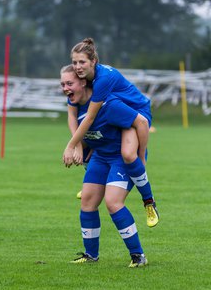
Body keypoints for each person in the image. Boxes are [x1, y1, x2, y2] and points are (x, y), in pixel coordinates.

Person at [63, 37, 159, 228]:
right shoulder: (80, 81)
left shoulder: (102, 80)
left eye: (82, 62)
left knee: (129, 155)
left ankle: (149, 202)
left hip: (137, 112)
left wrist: (72, 145)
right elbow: (73, 114)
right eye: (74, 62)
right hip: (119, 112)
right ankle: (93, 184)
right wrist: (79, 145)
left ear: (93, 62)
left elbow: (89, 117)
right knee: (93, 139)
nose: (78, 66)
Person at [60, 65, 149, 267]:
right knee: (88, 202)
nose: (65, 88)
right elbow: (78, 124)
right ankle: (91, 255)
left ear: (84, 82)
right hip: (101, 157)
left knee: (113, 202)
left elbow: (141, 122)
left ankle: (138, 256)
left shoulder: (109, 105)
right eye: (63, 84)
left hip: (121, 157)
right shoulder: (75, 104)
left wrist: (139, 156)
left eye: (69, 83)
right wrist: (80, 147)